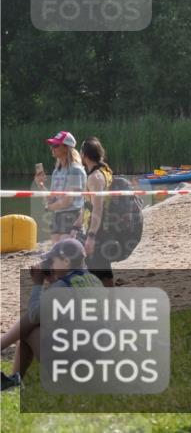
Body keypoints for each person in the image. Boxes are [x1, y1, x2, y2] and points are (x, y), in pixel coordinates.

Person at [0, 238, 102, 390]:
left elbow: (35, 315)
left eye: (52, 260)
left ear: (66, 261)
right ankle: (13, 380)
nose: (50, 264)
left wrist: (38, 283)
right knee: (35, 325)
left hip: (76, 363)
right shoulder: (92, 280)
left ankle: (9, 369)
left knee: (29, 330)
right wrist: (54, 281)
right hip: (97, 358)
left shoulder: (63, 286)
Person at [33, 131, 86, 245]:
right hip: (58, 215)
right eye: (52, 145)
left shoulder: (75, 170)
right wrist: (40, 185)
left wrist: (49, 207)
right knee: (57, 252)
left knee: (64, 253)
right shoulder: (57, 171)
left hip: (72, 215)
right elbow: (51, 198)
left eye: (56, 145)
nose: (52, 148)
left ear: (66, 147)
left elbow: (68, 201)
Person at [78, 137, 115, 287]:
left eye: (81, 151)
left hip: (98, 229)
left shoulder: (95, 177)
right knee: (104, 270)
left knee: (98, 271)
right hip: (103, 225)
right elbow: (88, 205)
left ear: (85, 155)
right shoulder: (105, 170)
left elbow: (97, 208)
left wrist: (91, 236)